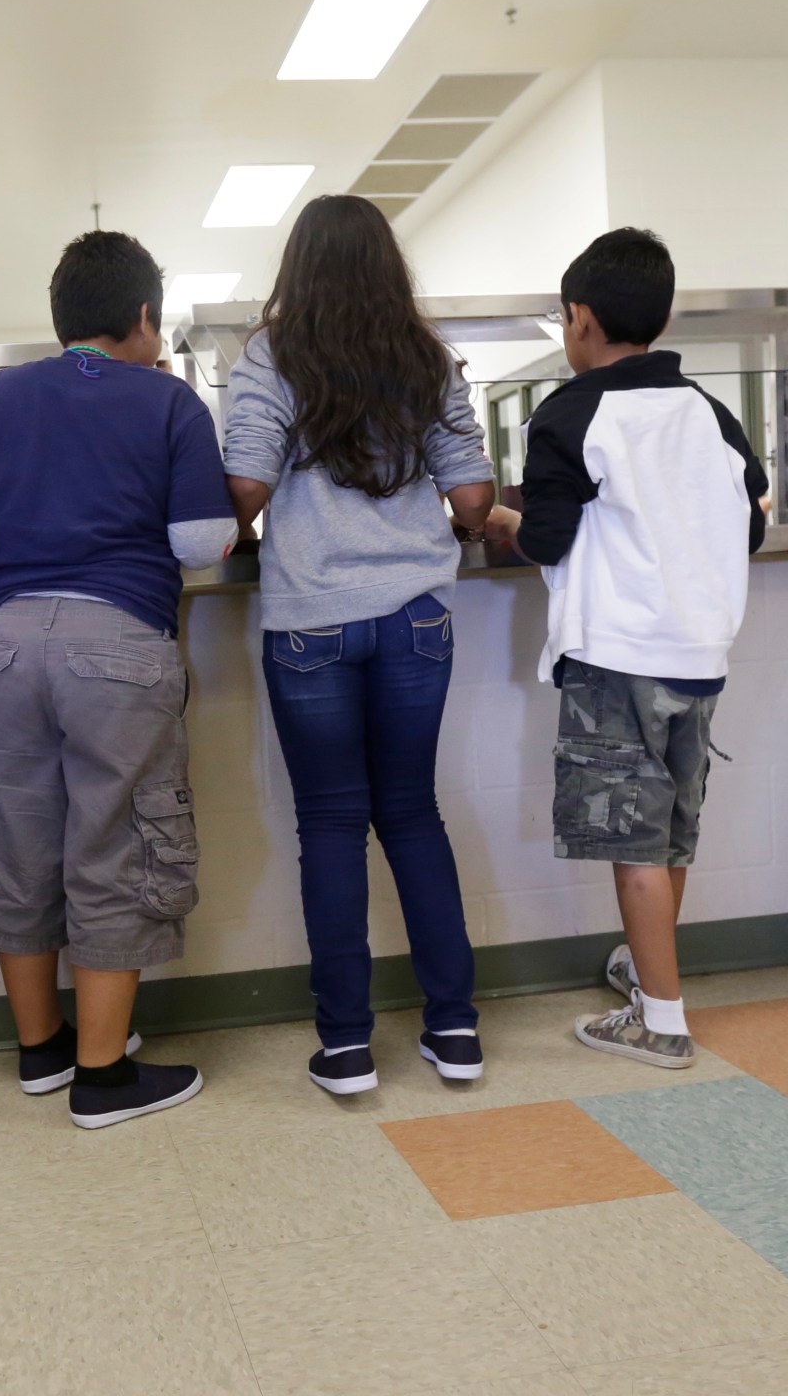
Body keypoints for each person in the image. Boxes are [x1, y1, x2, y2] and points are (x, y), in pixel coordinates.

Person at [0, 231, 235, 1128]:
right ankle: (103, 1077)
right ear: (143, 318)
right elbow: (200, 545)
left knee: (18, 841)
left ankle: (43, 1051)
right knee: (114, 844)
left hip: (8, 643)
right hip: (119, 642)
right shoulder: (170, 403)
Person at [221, 195, 497, 1096]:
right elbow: (471, 497)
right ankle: (455, 1030)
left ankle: (345, 1047)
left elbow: (246, 489)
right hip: (416, 614)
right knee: (413, 814)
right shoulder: (423, 356)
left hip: (311, 622)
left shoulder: (270, 355)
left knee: (331, 827)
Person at [485, 229, 768, 1070]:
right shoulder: (711, 413)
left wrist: (494, 519)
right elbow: (750, 524)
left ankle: (663, 1021)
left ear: (580, 319)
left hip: (616, 657)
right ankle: (651, 980)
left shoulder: (569, 414)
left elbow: (544, 540)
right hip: (700, 655)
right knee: (673, 834)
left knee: (633, 842)